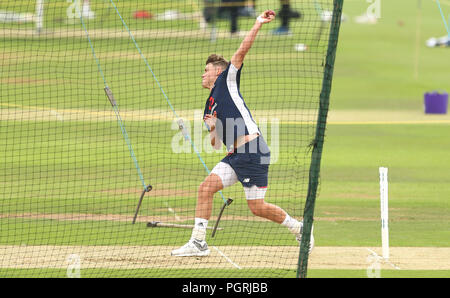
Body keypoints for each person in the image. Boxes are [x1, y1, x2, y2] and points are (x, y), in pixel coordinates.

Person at [171, 10, 314, 257]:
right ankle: (198, 243)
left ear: (218, 71)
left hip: (252, 151)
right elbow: (215, 144)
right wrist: (213, 127)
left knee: (257, 207)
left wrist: (258, 23)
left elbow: (241, 51)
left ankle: (300, 228)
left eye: (206, 70)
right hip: (234, 155)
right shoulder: (209, 104)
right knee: (205, 189)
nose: (202, 74)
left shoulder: (227, 80)